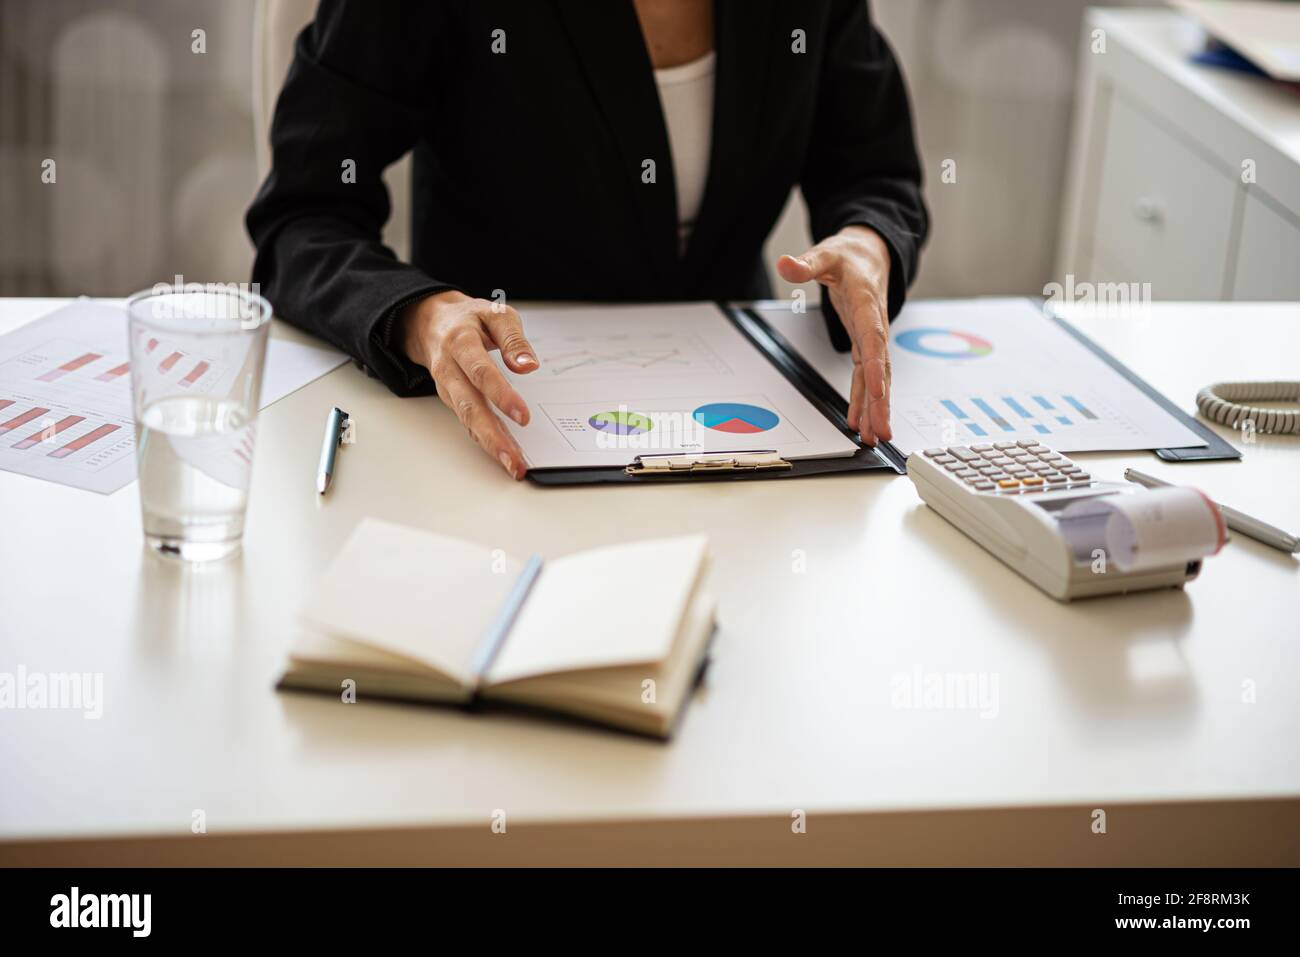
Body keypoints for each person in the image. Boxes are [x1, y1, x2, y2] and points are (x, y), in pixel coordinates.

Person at [247, 0, 928, 479]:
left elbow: (871, 166)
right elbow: (303, 215)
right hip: (501, 431)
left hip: (743, 424)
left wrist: (868, 242)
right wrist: (420, 314)